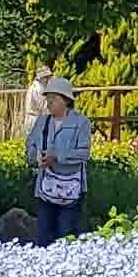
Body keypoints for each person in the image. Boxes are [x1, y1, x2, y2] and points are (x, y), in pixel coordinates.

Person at [24, 74, 93, 243]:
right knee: (44, 237)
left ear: (66, 100)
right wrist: (36, 158)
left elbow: (84, 153)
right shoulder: (42, 121)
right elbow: (29, 147)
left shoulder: (81, 122)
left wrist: (57, 157)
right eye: (47, 98)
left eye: (53, 98)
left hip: (72, 191)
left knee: (66, 236)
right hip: (45, 190)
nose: (49, 102)